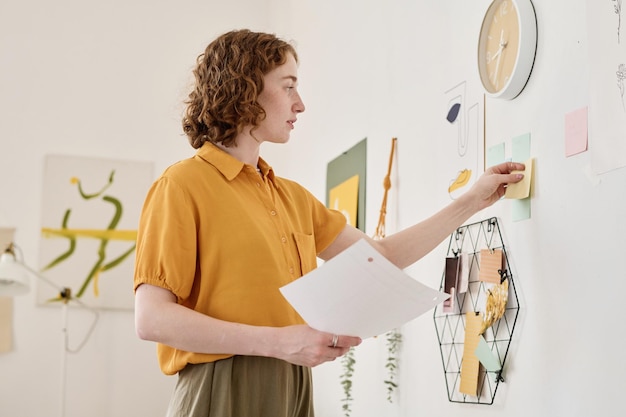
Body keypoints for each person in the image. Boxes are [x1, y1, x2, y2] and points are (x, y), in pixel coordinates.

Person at [133, 29, 524, 417]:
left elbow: (382, 255)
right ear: (246, 89)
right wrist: (278, 343)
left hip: (294, 383)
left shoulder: (291, 197)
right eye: (288, 87)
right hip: (222, 387)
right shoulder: (182, 185)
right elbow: (152, 319)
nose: (300, 104)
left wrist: (473, 200)